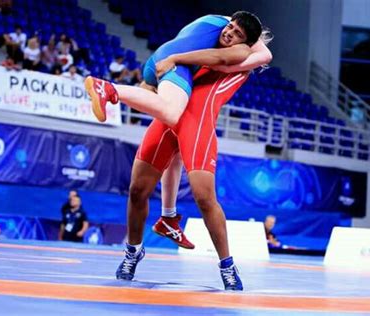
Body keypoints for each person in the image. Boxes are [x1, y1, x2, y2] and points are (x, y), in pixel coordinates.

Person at [114, 33, 272, 291]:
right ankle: (133, 252)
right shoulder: (205, 44)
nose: (228, 34)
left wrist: (174, 57)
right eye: (228, 29)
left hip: (197, 125)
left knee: (204, 198)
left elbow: (244, 55)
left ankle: (227, 265)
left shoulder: (241, 54)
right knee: (136, 190)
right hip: (169, 118)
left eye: (237, 33)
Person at [85, 11, 263, 127]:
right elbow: (220, 57)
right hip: (174, 64)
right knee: (171, 114)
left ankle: (113, 92)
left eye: (237, 34)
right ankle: (107, 88)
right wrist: (174, 59)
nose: (230, 33)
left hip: (158, 58)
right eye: (231, 27)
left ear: (248, 40)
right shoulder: (244, 49)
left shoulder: (214, 19)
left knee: (146, 106)